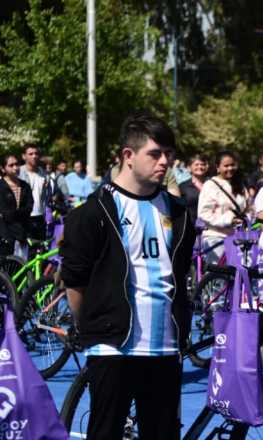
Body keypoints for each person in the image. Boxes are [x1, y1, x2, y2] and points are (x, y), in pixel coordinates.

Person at [60, 112, 195, 440]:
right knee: (105, 432)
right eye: (155, 154)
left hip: (164, 349)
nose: (165, 162)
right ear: (127, 156)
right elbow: (75, 282)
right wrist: (91, 325)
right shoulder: (93, 213)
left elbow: (180, 275)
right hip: (114, 348)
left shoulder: (178, 214)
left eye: (169, 155)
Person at [197, 151, 249, 261]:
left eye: (232, 165)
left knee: (237, 275)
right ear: (217, 167)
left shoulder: (240, 185)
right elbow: (203, 214)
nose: (230, 168)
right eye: (226, 166)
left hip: (238, 239)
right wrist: (229, 220)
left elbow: (247, 208)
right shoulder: (210, 185)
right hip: (216, 238)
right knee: (218, 276)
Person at [0, 155, 33, 257]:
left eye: (17, 164)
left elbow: (29, 207)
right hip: (5, 234)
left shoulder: (25, 186)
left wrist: (11, 213)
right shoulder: (1, 186)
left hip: (23, 232)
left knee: (22, 266)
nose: (15, 167)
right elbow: (4, 213)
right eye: (11, 165)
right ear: (3, 168)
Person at [18, 145, 48, 241]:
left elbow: (47, 194)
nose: (34, 156)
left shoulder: (42, 172)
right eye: (30, 154)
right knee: (25, 251)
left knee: (41, 250)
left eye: (36, 153)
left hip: (40, 217)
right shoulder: (18, 172)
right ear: (24, 156)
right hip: (24, 218)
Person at [177, 155, 207, 223]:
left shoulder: (213, 184)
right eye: (196, 165)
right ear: (188, 168)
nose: (200, 167)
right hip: (192, 226)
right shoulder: (183, 187)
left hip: (213, 227)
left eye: (202, 164)